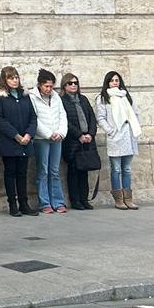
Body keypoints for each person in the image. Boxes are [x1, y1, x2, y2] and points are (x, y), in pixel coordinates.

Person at [0, 67, 39, 217]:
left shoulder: (24, 96)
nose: (15, 80)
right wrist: (17, 136)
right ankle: (12, 203)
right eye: (11, 78)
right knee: (10, 172)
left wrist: (29, 135)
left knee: (22, 173)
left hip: (25, 141)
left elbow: (33, 117)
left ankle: (24, 203)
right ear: (4, 80)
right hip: (9, 141)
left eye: (16, 77)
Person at [95, 71, 141, 210]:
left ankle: (128, 198)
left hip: (128, 135)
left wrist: (135, 128)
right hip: (115, 136)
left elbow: (135, 113)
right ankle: (118, 199)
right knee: (116, 169)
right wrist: (110, 130)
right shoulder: (103, 98)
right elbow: (100, 117)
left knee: (126, 169)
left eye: (117, 80)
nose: (115, 82)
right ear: (107, 82)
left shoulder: (125, 96)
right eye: (112, 80)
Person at [31, 69, 68, 214]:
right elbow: (35, 119)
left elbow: (62, 115)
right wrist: (48, 134)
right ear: (40, 85)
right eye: (46, 86)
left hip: (57, 138)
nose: (49, 89)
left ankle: (58, 202)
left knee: (54, 171)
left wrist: (60, 133)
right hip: (42, 139)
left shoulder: (56, 97)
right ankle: (44, 202)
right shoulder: (33, 97)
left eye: (51, 86)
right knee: (43, 170)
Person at [60, 72, 99, 211]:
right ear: (64, 85)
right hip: (72, 142)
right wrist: (78, 135)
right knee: (73, 171)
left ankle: (84, 199)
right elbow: (65, 121)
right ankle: (75, 200)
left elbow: (92, 118)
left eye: (75, 83)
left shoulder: (83, 99)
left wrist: (90, 134)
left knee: (84, 171)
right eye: (70, 83)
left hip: (87, 140)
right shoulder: (62, 101)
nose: (73, 85)